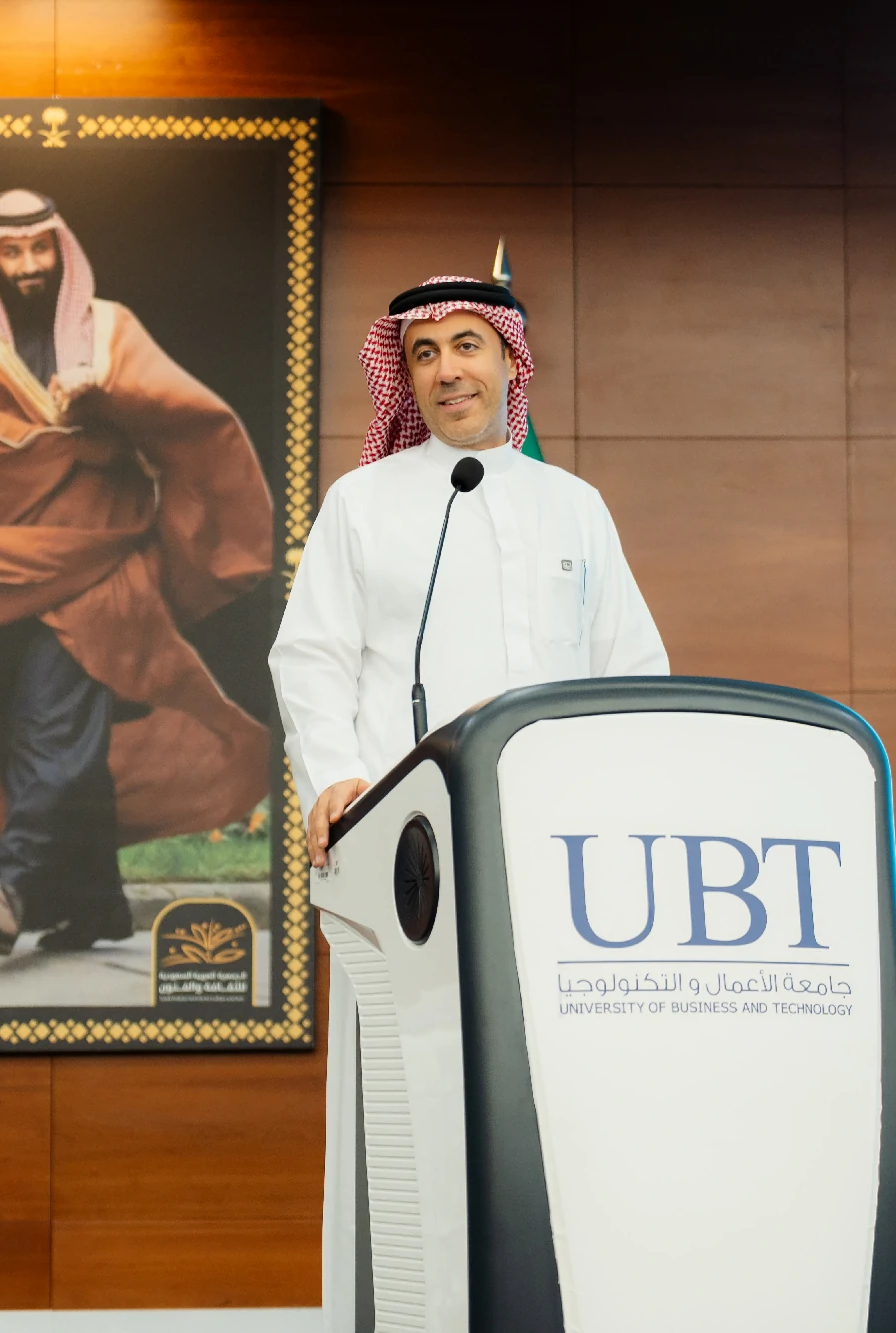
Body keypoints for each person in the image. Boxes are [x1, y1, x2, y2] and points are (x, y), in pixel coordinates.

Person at [268, 275, 667, 1328]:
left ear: (508, 363)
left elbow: (633, 668)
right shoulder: (363, 502)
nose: (447, 370)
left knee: (557, 1109)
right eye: (424, 354)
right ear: (403, 376)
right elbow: (310, 657)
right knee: (412, 1114)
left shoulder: (573, 506)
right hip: (409, 865)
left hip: (562, 867)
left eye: (466, 346)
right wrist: (335, 776)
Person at [0, 188, 276, 958]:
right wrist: (90, 436)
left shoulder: (114, 330)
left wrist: (111, 401)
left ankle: (14, 883)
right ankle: (95, 903)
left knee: (51, 724)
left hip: (103, 567)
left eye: (41, 248)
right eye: (12, 251)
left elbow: (179, 415)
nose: (29, 265)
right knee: (27, 733)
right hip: (2, 574)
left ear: (63, 250)